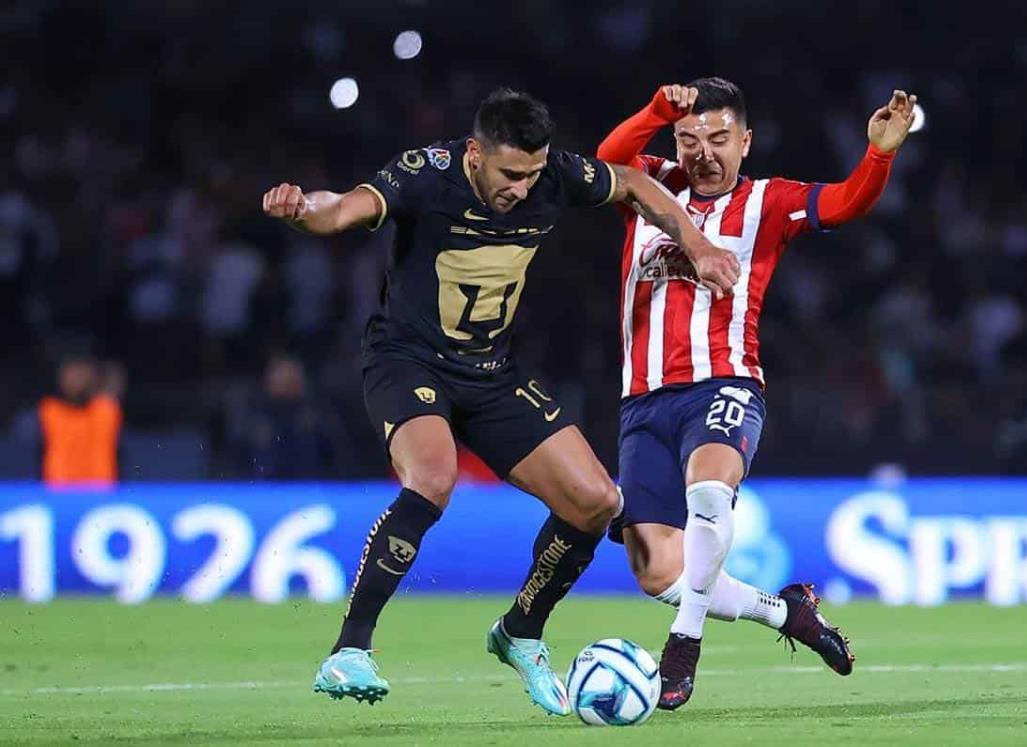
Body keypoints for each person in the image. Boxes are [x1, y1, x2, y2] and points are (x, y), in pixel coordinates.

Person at [262, 88, 738, 714]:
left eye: (533, 174)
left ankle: (520, 632)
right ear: (476, 154)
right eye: (511, 174)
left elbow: (630, 183)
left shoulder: (553, 175)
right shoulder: (423, 175)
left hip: (490, 371)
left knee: (596, 503)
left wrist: (696, 244)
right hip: (408, 359)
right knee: (433, 477)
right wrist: (302, 209)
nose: (522, 188)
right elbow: (343, 209)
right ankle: (350, 649)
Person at [597, 79, 918, 709]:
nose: (702, 153)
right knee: (657, 571)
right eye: (689, 140)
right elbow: (609, 158)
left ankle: (683, 645)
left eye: (718, 139)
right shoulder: (649, 185)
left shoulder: (769, 201)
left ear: (745, 141)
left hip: (725, 382)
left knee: (711, 491)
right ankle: (786, 611)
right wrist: (659, 112)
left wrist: (879, 154)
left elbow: (848, 202)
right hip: (643, 400)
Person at [23, 356, 123, 487]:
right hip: (57, 493)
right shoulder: (46, 411)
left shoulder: (107, 411)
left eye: (82, 373)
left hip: (100, 494)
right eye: (71, 373)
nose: (77, 379)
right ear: (60, 377)